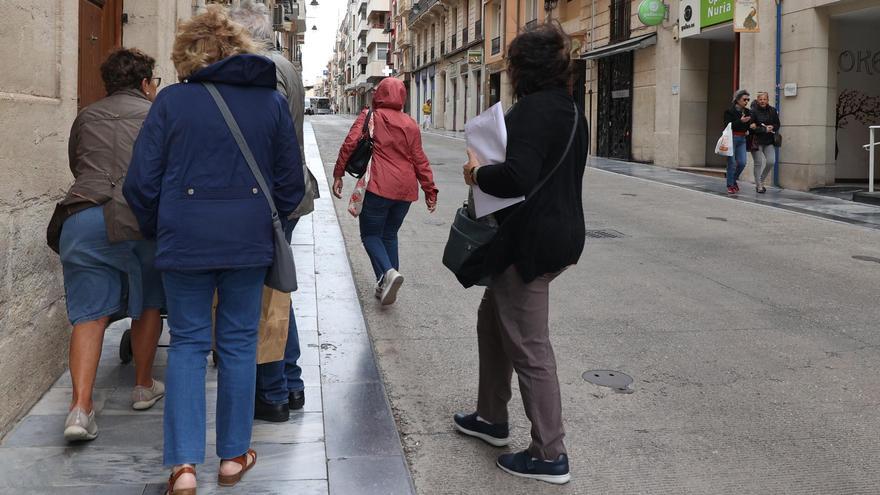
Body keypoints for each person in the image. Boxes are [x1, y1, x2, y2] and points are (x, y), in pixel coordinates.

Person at [122, 7, 304, 494]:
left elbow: (140, 181)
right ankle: (231, 457)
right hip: (247, 242)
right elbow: (289, 184)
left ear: (186, 55)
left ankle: (183, 467)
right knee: (240, 343)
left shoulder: (171, 103)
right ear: (237, 49)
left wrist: (162, 224)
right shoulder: (267, 102)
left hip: (184, 239)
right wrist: (267, 223)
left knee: (187, 344)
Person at [456, 23, 588, 485]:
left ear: (521, 68)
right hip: (559, 231)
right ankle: (491, 418)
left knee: (530, 346)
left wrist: (476, 174)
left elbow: (516, 177)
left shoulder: (533, 111)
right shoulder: (571, 110)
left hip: (529, 243)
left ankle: (550, 452)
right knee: (491, 320)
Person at [46, 48, 166, 442]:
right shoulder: (157, 114)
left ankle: (80, 409)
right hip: (139, 217)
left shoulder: (86, 116)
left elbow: (78, 165)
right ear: (146, 83)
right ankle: (143, 386)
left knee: (89, 316)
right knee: (148, 300)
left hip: (83, 216)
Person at [230, 0, 318, 423]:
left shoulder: (263, 70)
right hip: (285, 193)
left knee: (267, 291)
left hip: (269, 196)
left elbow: (267, 137)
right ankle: (289, 383)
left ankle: (276, 389)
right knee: (275, 287)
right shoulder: (284, 64)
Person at [332, 78, 438, 305]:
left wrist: (339, 173)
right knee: (389, 234)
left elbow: (350, 143)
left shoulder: (371, 116)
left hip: (379, 186)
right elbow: (420, 159)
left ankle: (387, 274)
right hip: (405, 191)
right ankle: (386, 284)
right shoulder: (410, 123)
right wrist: (430, 190)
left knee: (370, 235)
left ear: (378, 94)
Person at [749, 91, 781, 193]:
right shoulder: (753, 112)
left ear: (767, 100)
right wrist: (763, 129)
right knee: (758, 163)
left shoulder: (772, 110)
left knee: (771, 161)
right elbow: (751, 127)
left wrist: (773, 127)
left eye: (764, 99)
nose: (762, 101)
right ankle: (759, 186)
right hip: (757, 141)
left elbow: (777, 124)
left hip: (769, 141)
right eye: (760, 99)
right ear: (758, 100)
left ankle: (761, 180)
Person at [723, 89, 752, 195]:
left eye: (748, 100)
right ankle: (730, 185)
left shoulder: (747, 111)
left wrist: (750, 126)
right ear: (738, 99)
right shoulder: (729, 111)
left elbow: (749, 125)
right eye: (744, 99)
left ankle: (733, 179)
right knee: (732, 163)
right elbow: (727, 125)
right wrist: (740, 121)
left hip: (743, 139)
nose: (746, 102)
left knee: (743, 162)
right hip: (732, 138)